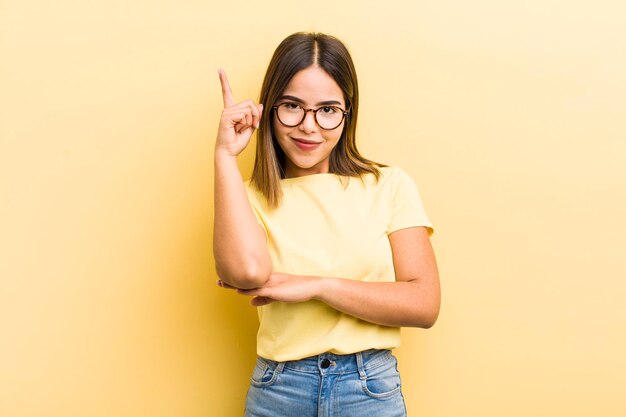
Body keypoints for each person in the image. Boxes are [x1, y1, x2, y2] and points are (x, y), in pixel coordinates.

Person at [213, 32, 440, 417]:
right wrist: (224, 155)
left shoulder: (389, 185)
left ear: (347, 112)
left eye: (328, 109)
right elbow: (246, 272)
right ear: (269, 109)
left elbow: (424, 304)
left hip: (369, 389)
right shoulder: (248, 197)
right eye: (292, 106)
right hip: (279, 390)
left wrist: (318, 286)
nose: (308, 126)